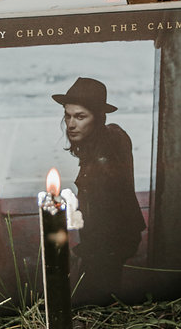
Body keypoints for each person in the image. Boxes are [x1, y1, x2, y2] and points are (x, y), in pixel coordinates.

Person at [52, 76, 145, 303]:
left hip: (110, 243)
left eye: (80, 117)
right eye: (68, 115)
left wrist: (82, 251)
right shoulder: (112, 134)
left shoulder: (101, 165)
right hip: (118, 235)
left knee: (95, 297)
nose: (71, 124)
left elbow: (106, 221)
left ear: (98, 118)